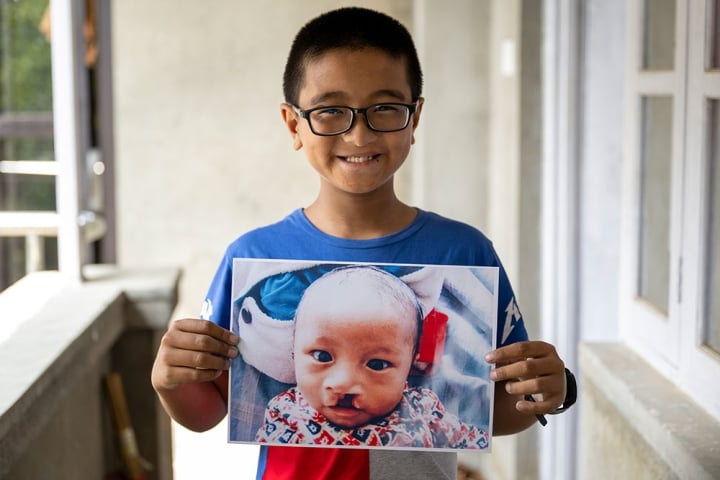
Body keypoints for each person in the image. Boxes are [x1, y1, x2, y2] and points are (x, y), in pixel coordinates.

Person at [151, 6, 571, 479]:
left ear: (415, 119)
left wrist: (545, 391)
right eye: (330, 111)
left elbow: (490, 409)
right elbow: (208, 412)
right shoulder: (252, 258)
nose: (358, 133)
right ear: (294, 125)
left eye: (385, 109)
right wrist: (168, 380)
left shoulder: (463, 254)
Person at [255, 265, 489, 449]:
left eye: (376, 364)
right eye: (322, 356)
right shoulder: (285, 411)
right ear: (294, 351)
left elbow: (473, 437)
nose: (343, 384)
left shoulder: (423, 409)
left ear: (411, 363)